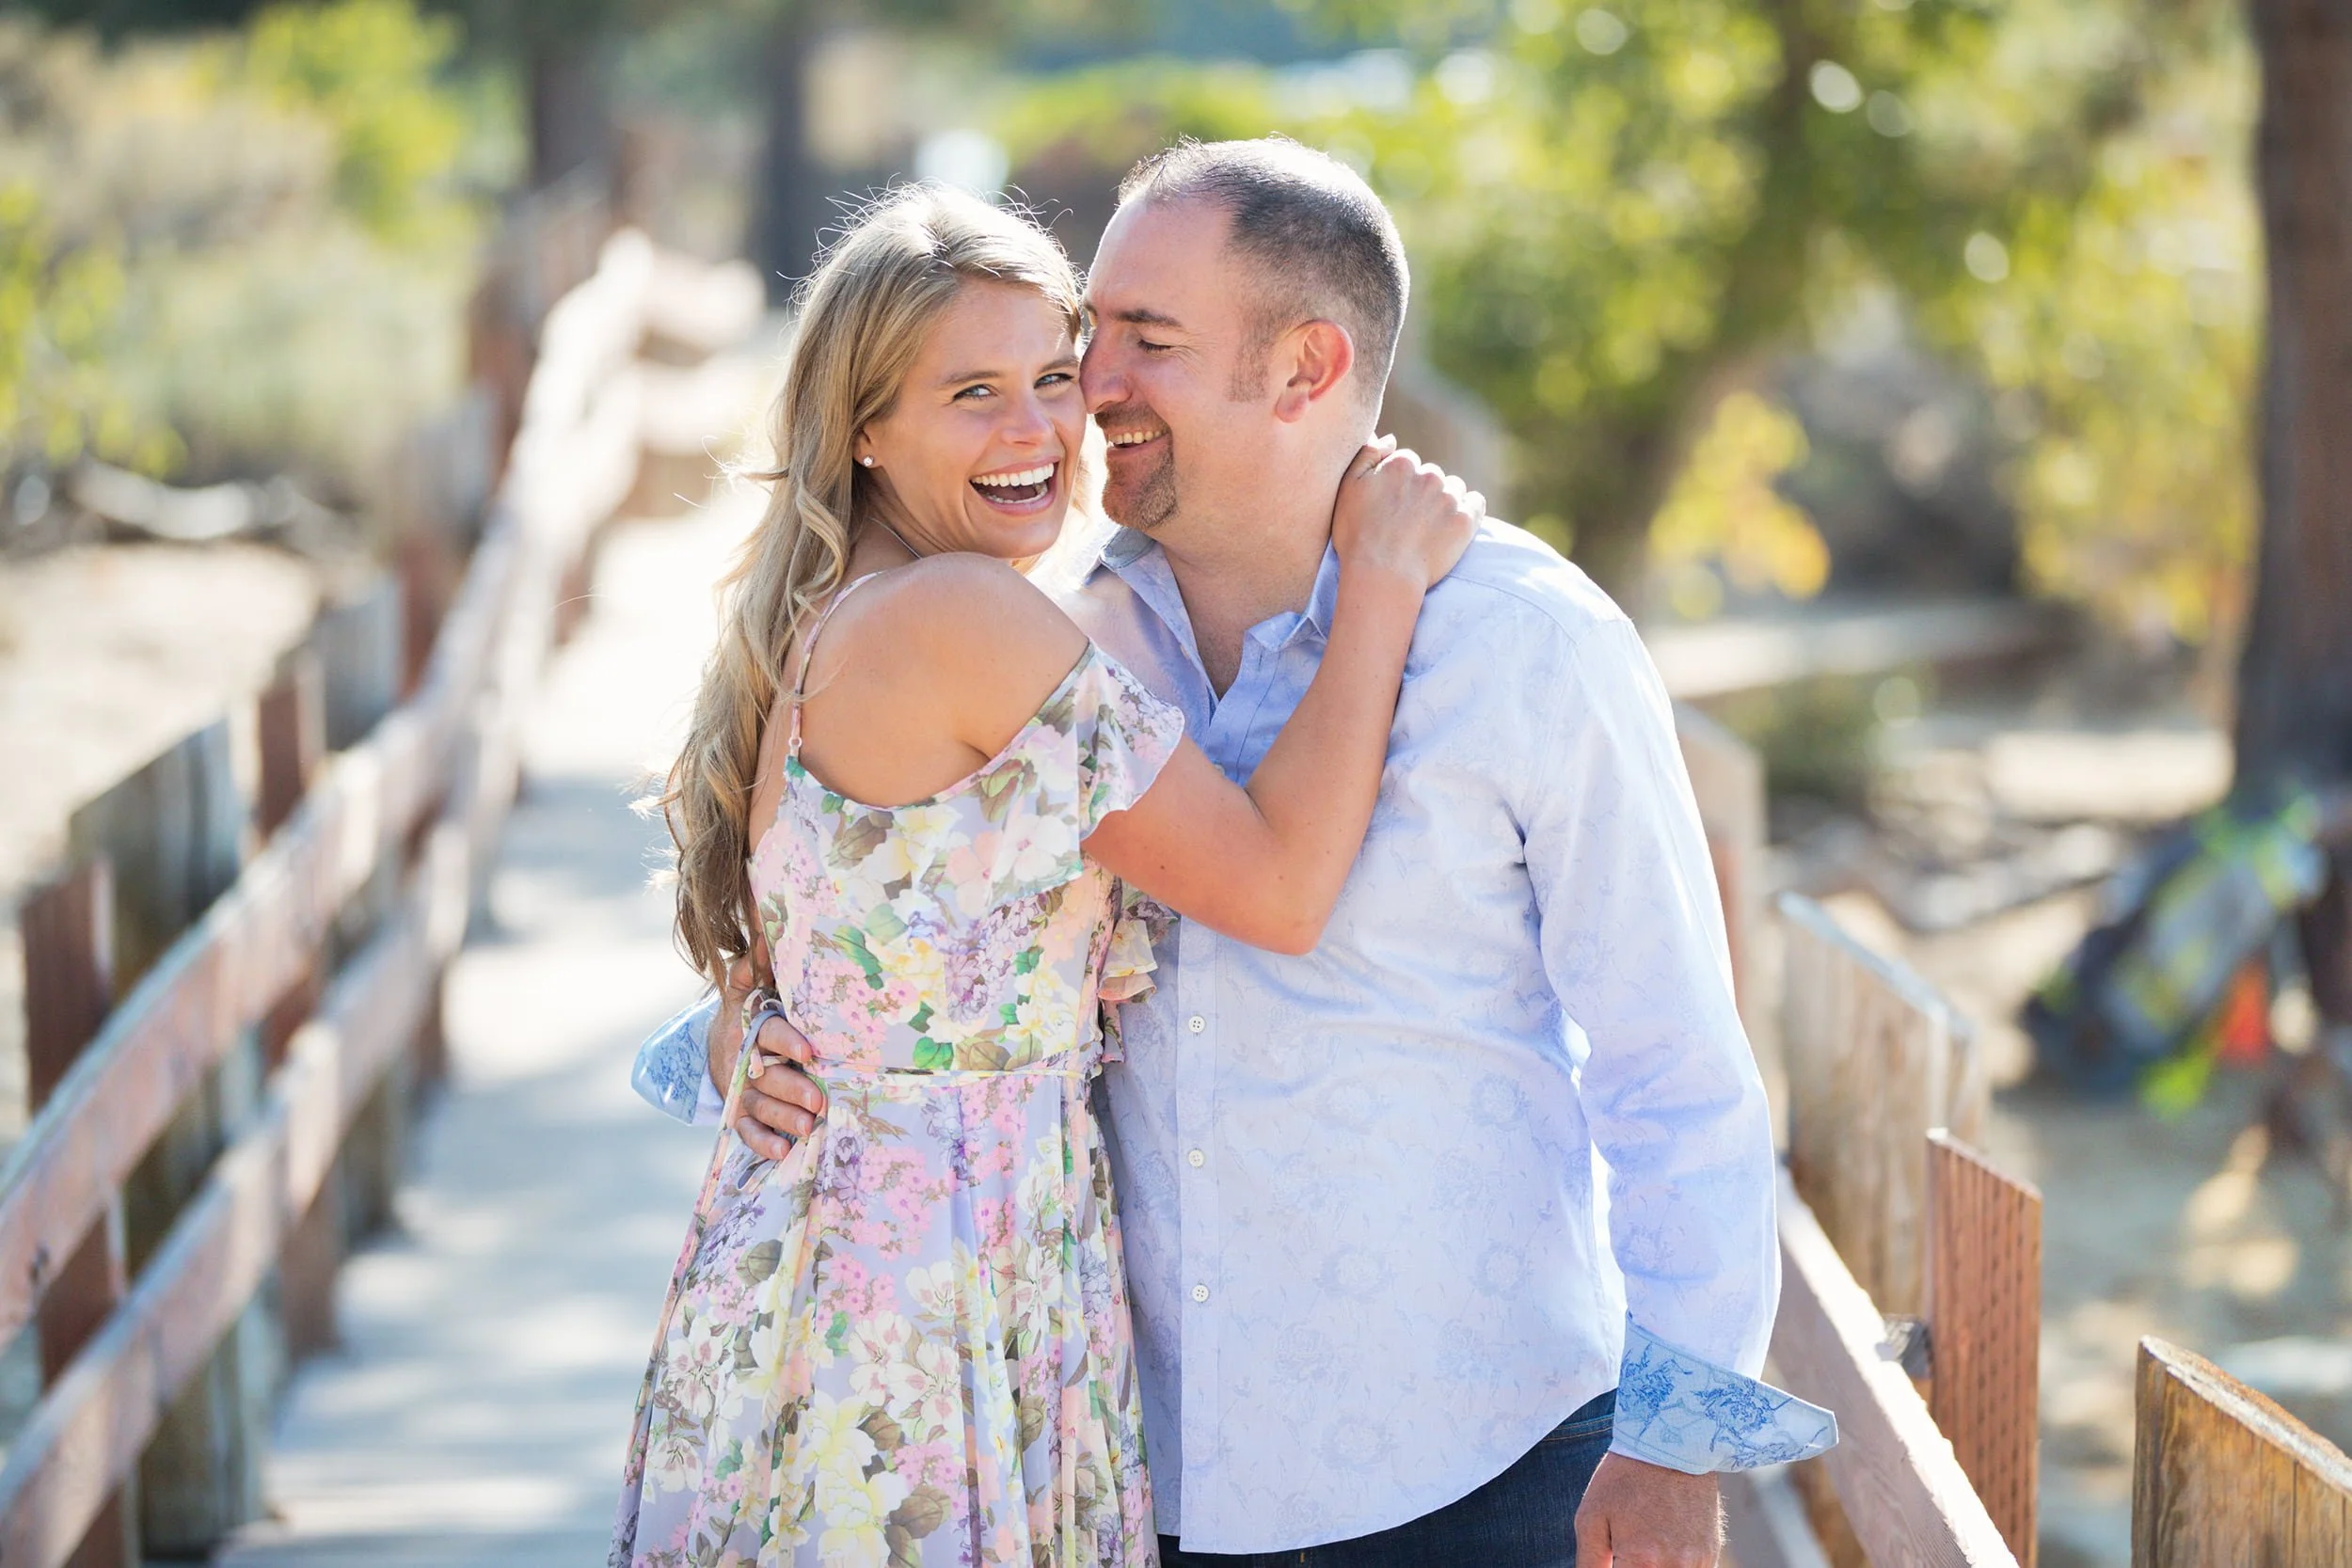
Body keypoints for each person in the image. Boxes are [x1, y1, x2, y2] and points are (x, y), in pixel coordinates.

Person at [636, 139, 1836, 1567]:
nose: (1087, 396)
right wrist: (745, 1029)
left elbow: (1676, 1064)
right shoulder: (1061, 638)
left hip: (1474, 1464)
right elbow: (870, 928)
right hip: (1123, 1463)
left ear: (1304, 368)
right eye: (1091, 343)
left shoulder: (1527, 645)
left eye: (1130, 344)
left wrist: (1676, 1439)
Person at [612, 183, 1481, 1568]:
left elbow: (832, 965)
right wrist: (1378, 578)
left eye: (1055, 379)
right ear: (864, 429)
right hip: (916, 1310)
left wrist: (742, 1030)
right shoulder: (966, 616)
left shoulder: (847, 612)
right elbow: (1278, 888)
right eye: (971, 393)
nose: (1035, 432)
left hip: (875, 1277)